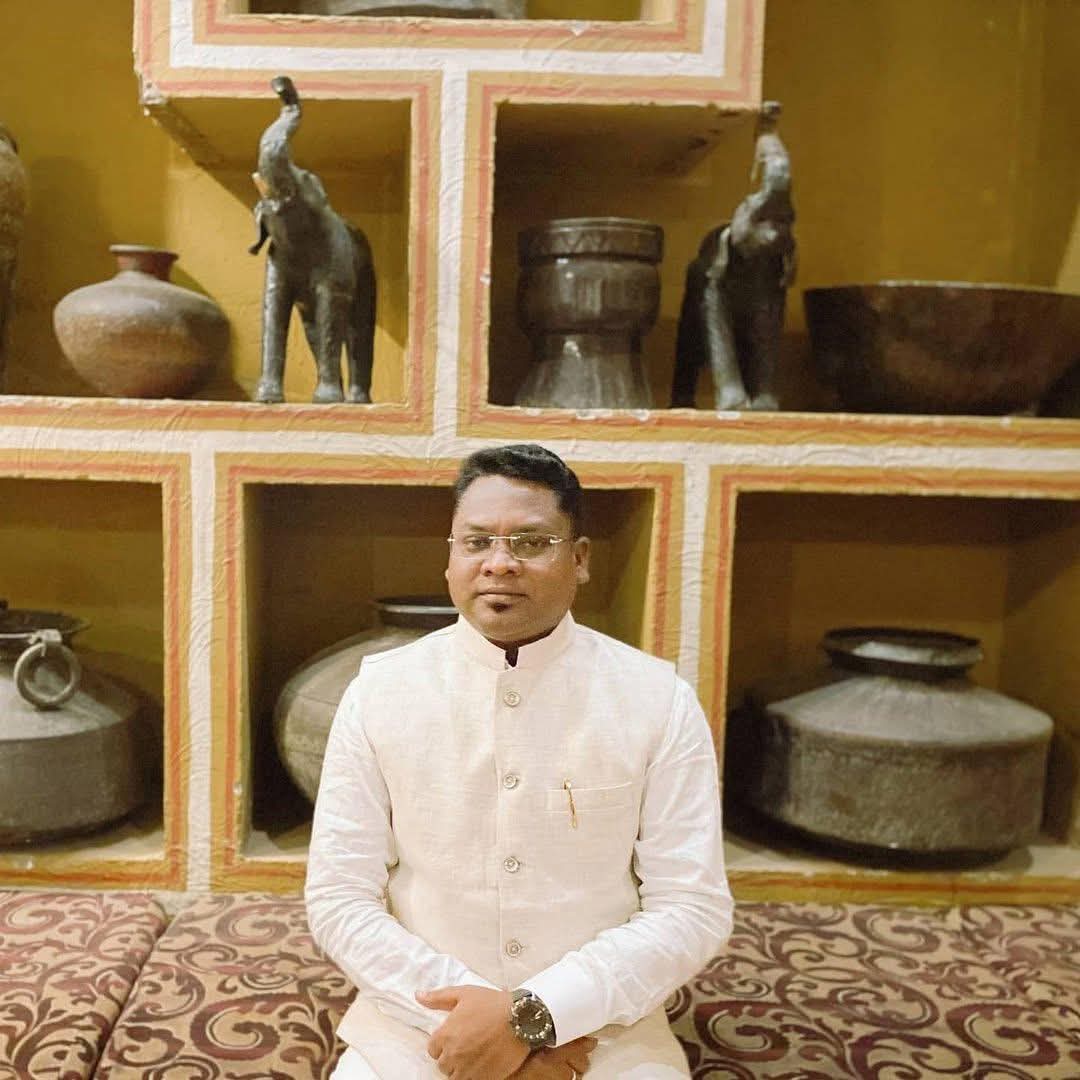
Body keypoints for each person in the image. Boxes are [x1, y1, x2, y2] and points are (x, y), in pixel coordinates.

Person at [306, 443, 733, 1079]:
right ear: (450, 557)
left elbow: (692, 907)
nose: (499, 563)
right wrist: (476, 1026)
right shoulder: (379, 692)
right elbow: (339, 897)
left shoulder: (656, 699)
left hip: (602, 1038)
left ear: (579, 558)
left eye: (531, 543)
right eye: (476, 542)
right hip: (417, 1030)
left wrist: (539, 1016)